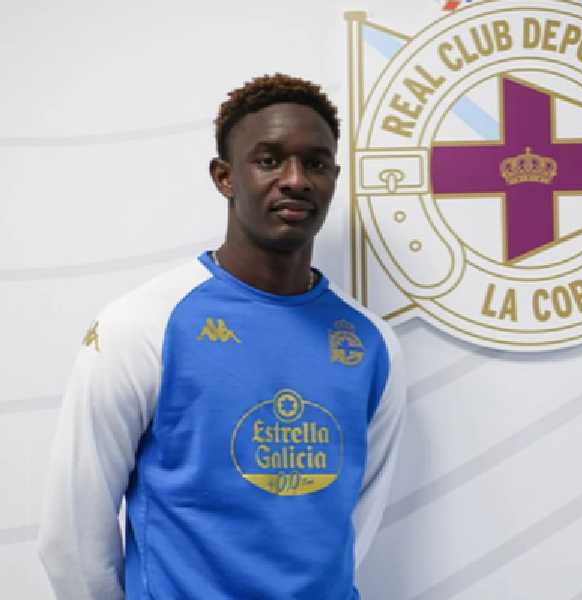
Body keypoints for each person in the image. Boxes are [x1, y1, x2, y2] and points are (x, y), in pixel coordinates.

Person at [37, 74, 406, 600]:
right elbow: (73, 539)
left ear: (334, 178)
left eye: (316, 163)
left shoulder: (371, 344)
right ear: (225, 177)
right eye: (269, 160)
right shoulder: (144, 324)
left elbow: (352, 522)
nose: (296, 180)